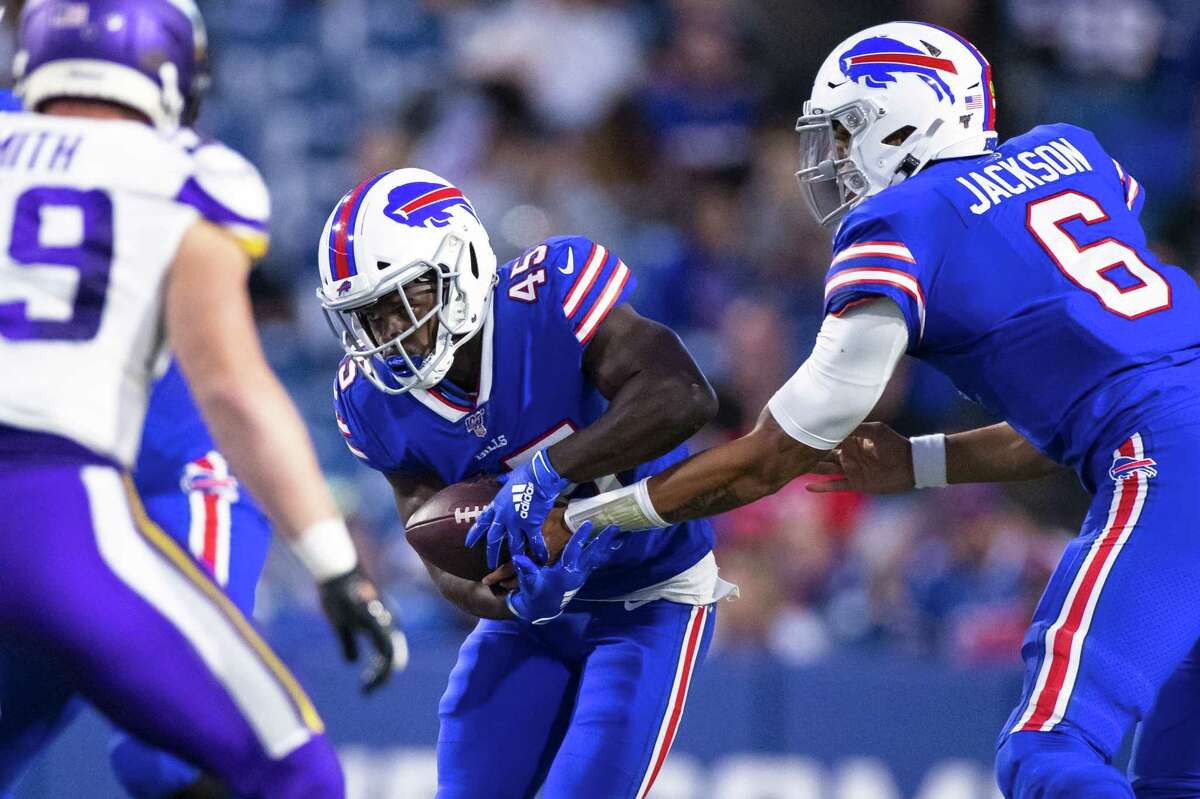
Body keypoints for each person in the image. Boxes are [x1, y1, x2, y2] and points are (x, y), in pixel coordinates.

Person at [520, 21, 1200, 799]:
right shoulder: (1071, 150)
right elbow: (1093, 414)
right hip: (1172, 432)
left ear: (906, 117)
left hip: (1170, 457)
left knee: (1048, 751)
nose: (836, 159)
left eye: (846, 132)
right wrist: (920, 461)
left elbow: (775, 454)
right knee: (1177, 777)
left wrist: (597, 516)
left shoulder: (905, 220)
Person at [0, 1, 398, 797]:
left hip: (167, 481)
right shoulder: (188, 172)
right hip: (73, 501)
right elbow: (235, 386)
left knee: (161, 760)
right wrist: (333, 561)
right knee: (286, 769)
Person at [320, 168, 737, 798]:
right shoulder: (370, 400)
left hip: (650, 595)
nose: (386, 336)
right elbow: (436, 550)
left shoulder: (547, 293)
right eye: (367, 318)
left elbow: (682, 395)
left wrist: (550, 471)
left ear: (457, 266)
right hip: (532, 616)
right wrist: (513, 603)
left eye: (399, 303)